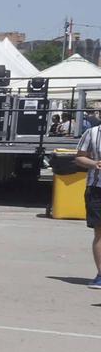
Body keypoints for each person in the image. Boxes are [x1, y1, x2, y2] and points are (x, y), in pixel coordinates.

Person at [74, 112, 101, 287]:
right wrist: (93, 164)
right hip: (97, 189)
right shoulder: (92, 133)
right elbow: (79, 156)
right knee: (99, 233)